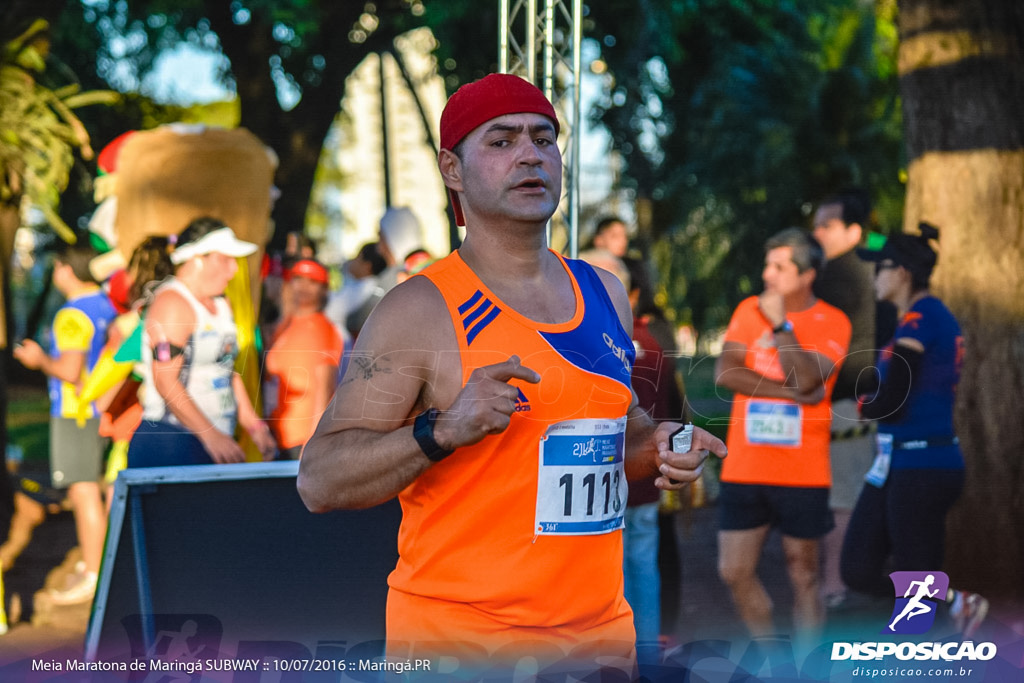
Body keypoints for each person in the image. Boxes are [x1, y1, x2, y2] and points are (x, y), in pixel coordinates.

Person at [297, 73, 726, 676]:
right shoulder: (418, 309)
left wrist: (655, 446)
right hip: (462, 644)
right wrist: (440, 431)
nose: (529, 154)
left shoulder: (602, 290)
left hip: (600, 639)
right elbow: (319, 480)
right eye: (500, 141)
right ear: (453, 169)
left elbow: (614, 431)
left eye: (543, 138)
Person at [843, 223, 987, 637]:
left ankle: (922, 650)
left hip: (924, 465)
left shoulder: (925, 318)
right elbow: (887, 392)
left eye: (881, 268)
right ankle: (955, 603)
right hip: (897, 463)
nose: (875, 277)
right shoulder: (910, 322)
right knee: (857, 567)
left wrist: (866, 402)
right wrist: (873, 397)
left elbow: (892, 399)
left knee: (915, 586)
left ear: (902, 271)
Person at [714, 228, 851, 642]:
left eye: (779, 266)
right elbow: (727, 372)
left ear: (807, 274)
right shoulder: (746, 310)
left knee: (804, 574)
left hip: (803, 472)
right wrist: (794, 394)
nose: (767, 274)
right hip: (745, 467)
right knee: (733, 570)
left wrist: (780, 324)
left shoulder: (833, 320)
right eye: (767, 264)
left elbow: (809, 374)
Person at [13, 242, 118, 605]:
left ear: (67, 269)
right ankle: (100, 565)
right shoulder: (107, 304)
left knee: (82, 490)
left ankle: (94, 574)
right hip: (104, 411)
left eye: (57, 268)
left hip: (76, 412)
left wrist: (39, 360)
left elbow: (71, 371)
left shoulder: (72, 314)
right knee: (98, 487)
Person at [128, 217, 276, 467]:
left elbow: (226, 368)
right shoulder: (172, 303)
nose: (234, 270)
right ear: (197, 258)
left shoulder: (221, 303)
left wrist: (254, 425)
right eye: (225, 259)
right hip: (172, 441)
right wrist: (211, 436)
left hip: (213, 440)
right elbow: (165, 380)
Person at [810, 189, 894, 608]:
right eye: (817, 223)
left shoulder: (839, 272)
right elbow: (884, 242)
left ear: (853, 230)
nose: (817, 231)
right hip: (860, 399)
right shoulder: (869, 262)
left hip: (845, 401)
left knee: (840, 500)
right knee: (850, 495)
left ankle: (834, 587)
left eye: (827, 224)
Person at [264, 258, 344, 460]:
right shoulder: (284, 325)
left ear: (324, 289)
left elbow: (325, 388)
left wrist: (313, 443)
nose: (304, 287)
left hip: (300, 443)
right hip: (276, 437)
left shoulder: (323, 329)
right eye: (298, 279)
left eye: (313, 281)